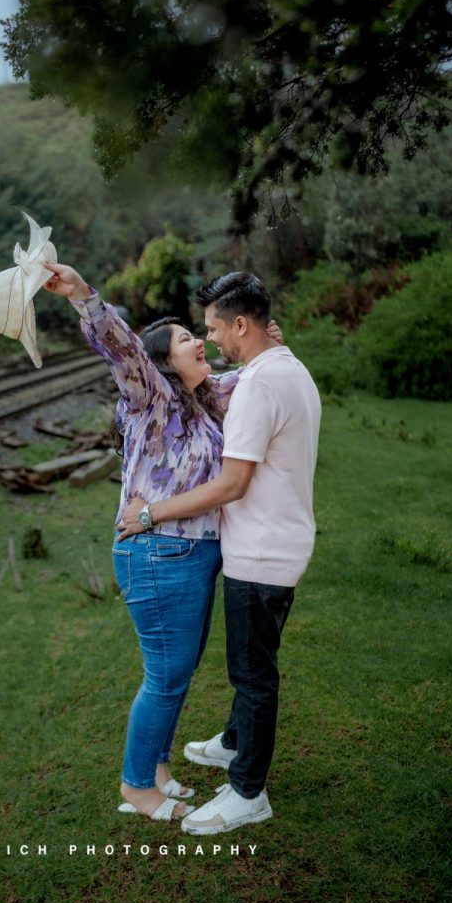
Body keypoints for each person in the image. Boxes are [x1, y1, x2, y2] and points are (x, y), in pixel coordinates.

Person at [41, 261, 282, 822]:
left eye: (195, 334)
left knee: (177, 672)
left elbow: (255, 373)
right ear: (161, 362)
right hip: (156, 554)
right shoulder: (149, 397)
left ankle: (157, 768)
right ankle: (137, 788)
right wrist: (83, 297)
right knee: (166, 676)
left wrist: (269, 338)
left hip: (193, 556)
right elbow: (123, 348)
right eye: (182, 339)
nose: (198, 342)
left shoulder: (206, 398)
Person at [119, 271, 321, 835]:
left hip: (260, 552)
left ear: (240, 324)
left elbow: (232, 484)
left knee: (253, 676)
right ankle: (232, 743)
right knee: (244, 669)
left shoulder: (257, 383)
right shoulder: (286, 367)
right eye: (194, 335)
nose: (208, 339)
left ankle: (247, 791)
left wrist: (151, 512)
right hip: (273, 545)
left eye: (210, 328)